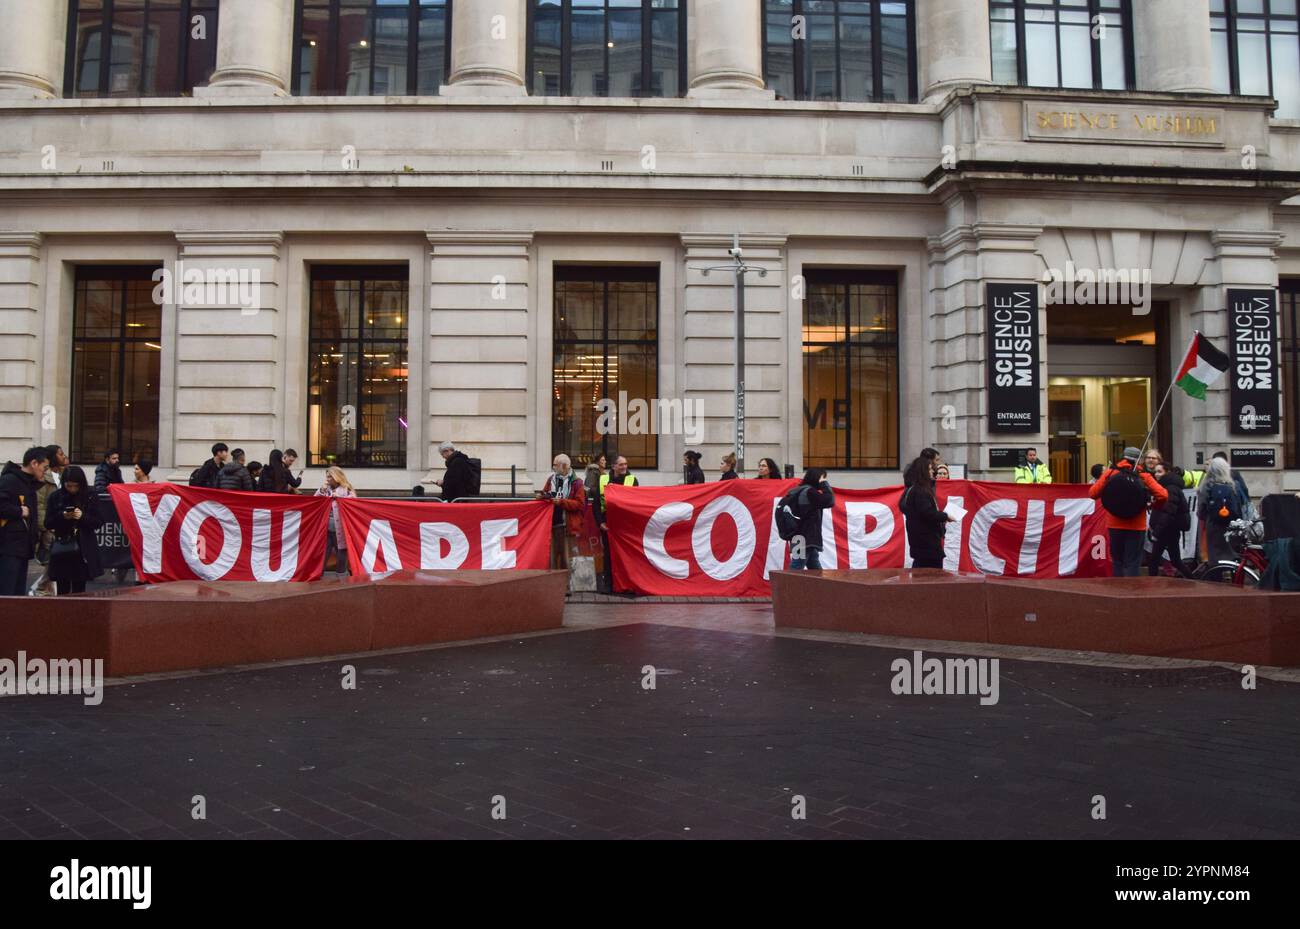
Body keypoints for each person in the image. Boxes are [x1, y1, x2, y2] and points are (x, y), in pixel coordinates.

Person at [1089, 446, 1167, 577]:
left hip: (1114, 524)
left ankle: (1117, 591)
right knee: (1133, 562)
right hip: (1137, 525)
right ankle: (1132, 591)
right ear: (1139, 459)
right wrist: (1153, 505)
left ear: (1123, 457)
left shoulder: (1111, 473)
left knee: (1117, 561)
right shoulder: (1143, 476)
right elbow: (1163, 495)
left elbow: (1092, 493)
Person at [43, 465, 103, 595]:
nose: (72, 489)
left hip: (82, 548)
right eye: (68, 486)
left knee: (80, 588)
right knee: (62, 587)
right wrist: (63, 516)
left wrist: (82, 517)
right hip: (62, 546)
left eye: (75, 486)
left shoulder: (90, 495)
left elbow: (98, 522)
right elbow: (48, 523)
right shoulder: (55, 497)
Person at [0, 447, 50, 596]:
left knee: (17, 592)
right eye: (44, 467)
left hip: (22, 545)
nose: (45, 471)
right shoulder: (10, 480)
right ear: (34, 463)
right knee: (7, 590)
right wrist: (19, 511)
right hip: (9, 546)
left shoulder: (29, 483)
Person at [899, 455, 953, 570]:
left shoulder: (911, 489)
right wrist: (946, 516)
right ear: (922, 471)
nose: (932, 471)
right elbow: (928, 513)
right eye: (929, 469)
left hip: (919, 542)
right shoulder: (920, 491)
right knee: (931, 577)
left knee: (919, 570)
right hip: (927, 543)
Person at [29, 444, 68, 597]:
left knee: (58, 558)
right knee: (52, 559)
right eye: (60, 453)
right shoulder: (44, 478)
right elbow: (39, 504)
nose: (63, 455)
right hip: (50, 525)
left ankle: (44, 588)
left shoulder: (64, 474)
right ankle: (40, 587)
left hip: (62, 523)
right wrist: (45, 527)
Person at [596, 455, 639, 594]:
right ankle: (609, 585)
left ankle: (627, 585)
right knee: (608, 555)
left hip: (625, 525)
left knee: (626, 555)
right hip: (607, 522)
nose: (624, 467)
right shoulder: (602, 479)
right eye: (621, 464)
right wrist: (600, 522)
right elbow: (596, 504)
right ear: (614, 466)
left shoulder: (632, 480)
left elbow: (637, 503)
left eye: (626, 464)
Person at [538, 454, 586, 571]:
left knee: (567, 560)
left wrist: (561, 502)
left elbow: (579, 504)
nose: (553, 467)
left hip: (567, 527)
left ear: (564, 466)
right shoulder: (551, 479)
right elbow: (546, 493)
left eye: (555, 465)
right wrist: (542, 496)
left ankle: (569, 586)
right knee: (552, 560)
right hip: (552, 526)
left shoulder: (577, 483)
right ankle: (554, 586)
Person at [1148, 462, 1194, 579]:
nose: (1156, 474)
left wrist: (1157, 532)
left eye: (1159, 471)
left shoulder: (1170, 488)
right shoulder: (1169, 487)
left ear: (1167, 472)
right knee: (1175, 560)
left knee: (1154, 559)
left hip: (1166, 529)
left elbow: (1168, 512)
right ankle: (1193, 579)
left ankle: (1150, 585)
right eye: (1155, 472)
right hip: (1170, 529)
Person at [787, 468, 835, 570]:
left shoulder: (797, 491)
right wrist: (824, 484)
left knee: (814, 568)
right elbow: (829, 500)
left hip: (798, 536)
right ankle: (786, 586)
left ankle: (821, 586)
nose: (824, 480)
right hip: (806, 537)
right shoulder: (809, 492)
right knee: (796, 569)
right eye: (823, 478)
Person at [1198, 457, 1242, 566]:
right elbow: (1238, 506)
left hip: (1213, 525)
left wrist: (1204, 517)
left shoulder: (1207, 485)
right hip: (1230, 525)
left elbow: (1201, 507)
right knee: (1229, 552)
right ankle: (1231, 574)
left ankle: (1216, 577)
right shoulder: (1233, 485)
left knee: (1214, 553)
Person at [315, 466, 354, 576]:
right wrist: (321, 490)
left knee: (341, 551)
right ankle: (318, 575)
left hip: (340, 528)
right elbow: (314, 500)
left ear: (336, 477)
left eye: (329, 477)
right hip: (326, 527)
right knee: (323, 552)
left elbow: (354, 502)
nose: (327, 479)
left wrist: (341, 498)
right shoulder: (325, 488)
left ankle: (341, 576)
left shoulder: (346, 488)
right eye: (326, 476)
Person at [1211, 451, 1251, 518]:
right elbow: (1244, 490)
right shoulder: (1234, 473)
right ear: (1226, 462)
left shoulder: (1210, 477)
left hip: (1214, 519)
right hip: (1234, 515)